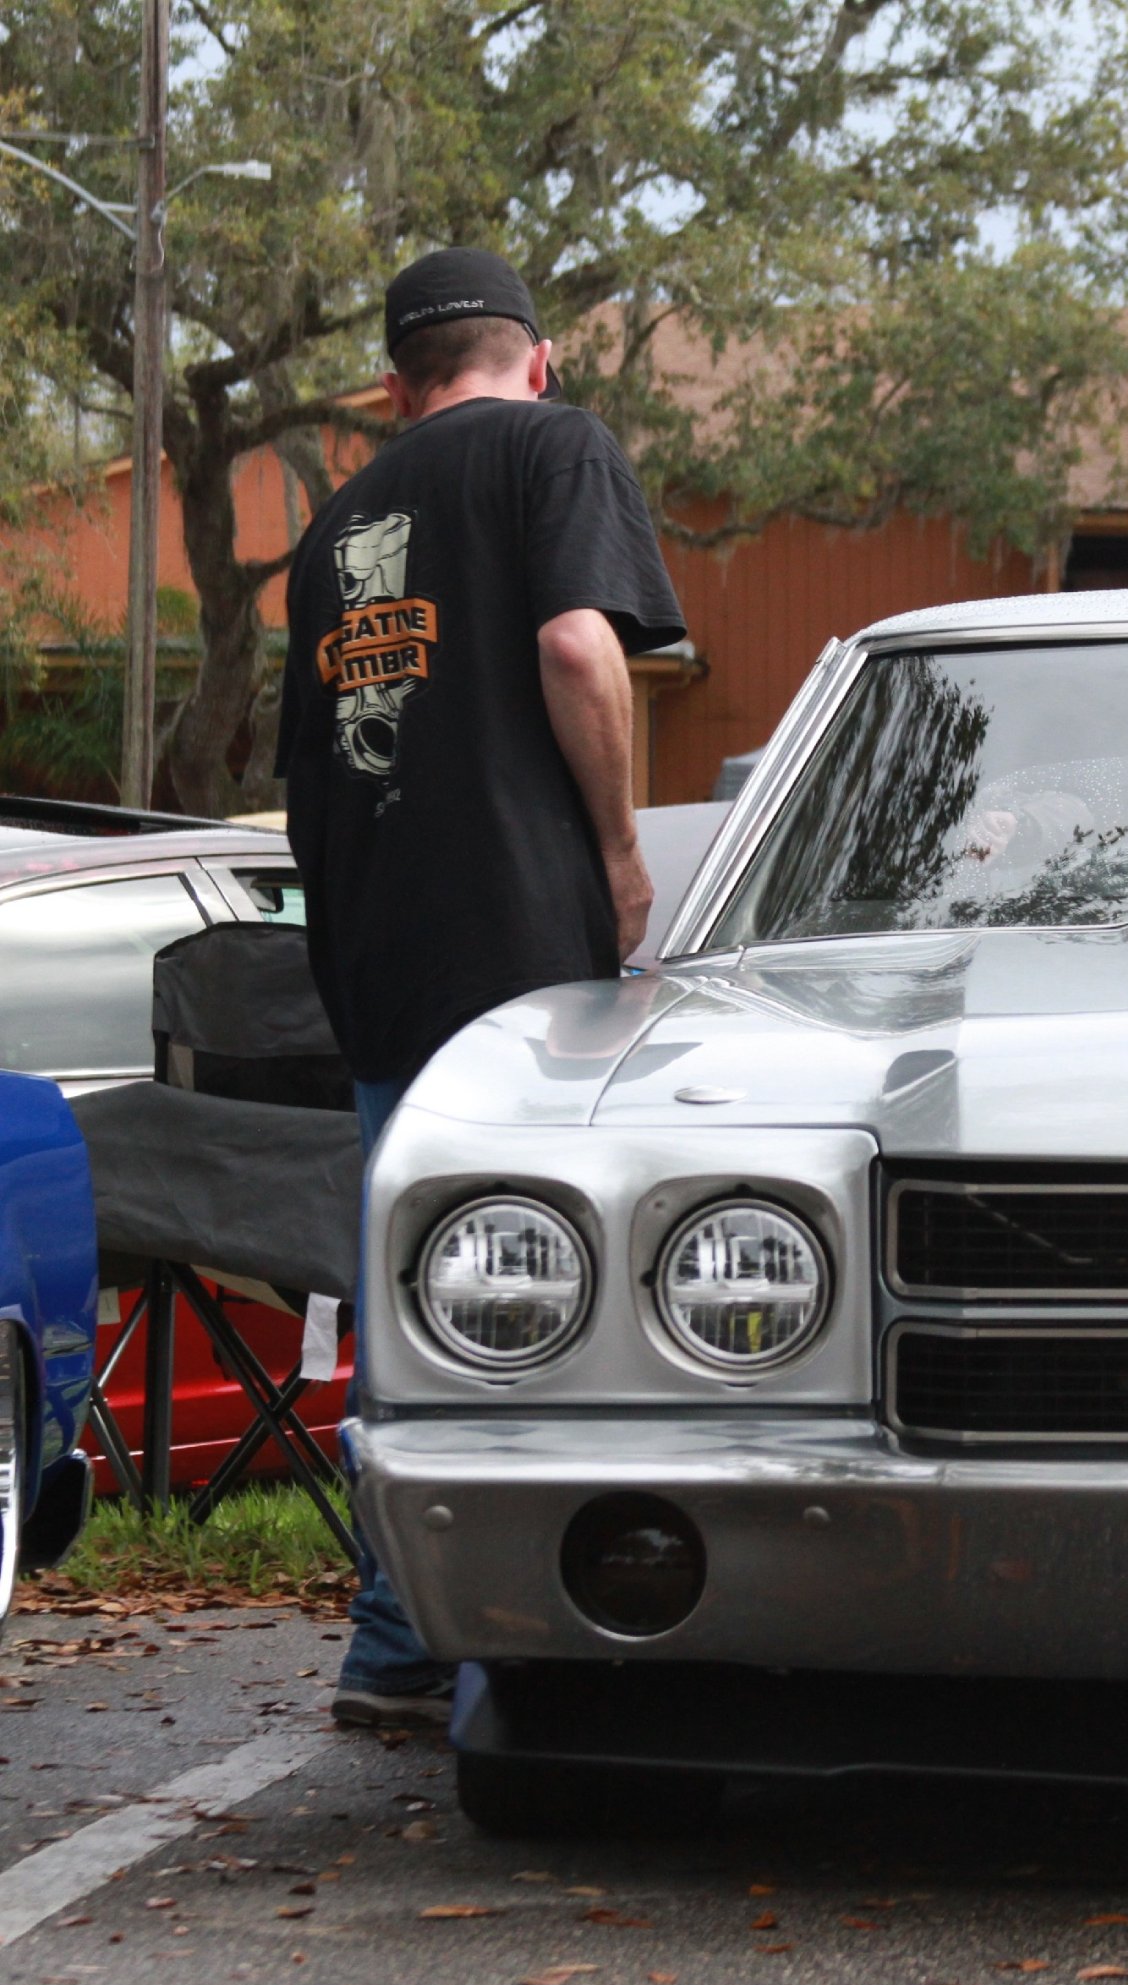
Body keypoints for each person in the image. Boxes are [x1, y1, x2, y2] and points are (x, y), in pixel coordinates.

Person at [278, 247, 685, 1731]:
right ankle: (507, 1666)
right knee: (533, 1285)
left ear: (397, 387)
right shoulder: (554, 446)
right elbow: (579, 644)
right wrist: (621, 854)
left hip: (379, 951)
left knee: (409, 1290)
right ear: (540, 356)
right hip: (521, 955)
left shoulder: (334, 526)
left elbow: (310, 771)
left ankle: (395, 1641)